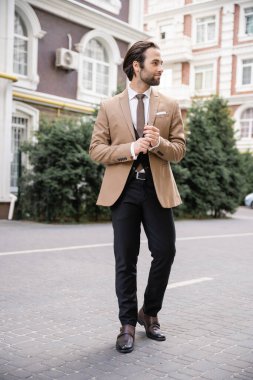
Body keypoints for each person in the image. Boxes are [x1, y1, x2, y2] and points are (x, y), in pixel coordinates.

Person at [89, 40, 186, 354]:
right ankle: (127, 324)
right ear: (136, 66)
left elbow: (180, 151)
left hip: (157, 189)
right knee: (125, 260)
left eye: (161, 63)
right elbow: (96, 150)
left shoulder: (169, 105)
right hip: (124, 190)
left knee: (166, 251)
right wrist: (130, 149)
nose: (161, 68)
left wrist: (158, 144)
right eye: (156, 62)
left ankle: (150, 312)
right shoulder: (109, 106)